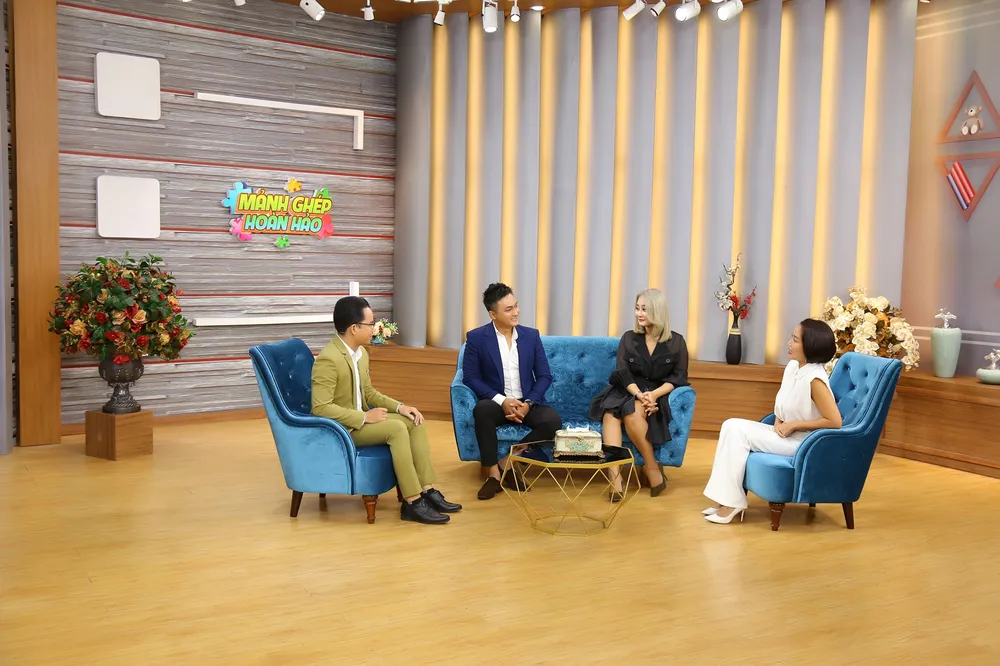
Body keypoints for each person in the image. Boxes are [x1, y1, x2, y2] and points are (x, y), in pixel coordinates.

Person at [311, 296, 462, 525]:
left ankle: (427, 490)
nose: (374, 328)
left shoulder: (361, 354)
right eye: (370, 324)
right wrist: (364, 417)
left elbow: (369, 393)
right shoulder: (328, 359)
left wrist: (401, 407)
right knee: (396, 429)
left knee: (412, 420)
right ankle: (411, 502)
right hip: (343, 428)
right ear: (354, 328)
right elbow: (320, 407)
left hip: (360, 420)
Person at [702, 318, 842, 525]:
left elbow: (835, 421)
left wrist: (794, 425)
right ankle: (724, 500)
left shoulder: (815, 379)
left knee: (736, 430)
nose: (789, 343)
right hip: (783, 434)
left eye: (795, 340)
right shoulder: (793, 367)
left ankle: (732, 504)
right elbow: (783, 403)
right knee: (730, 425)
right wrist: (779, 421)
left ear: (810, 346)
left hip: (802, 443)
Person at [463, 283, 563, 500]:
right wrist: (502, 401)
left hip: (527, 402)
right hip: (497, 403)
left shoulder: (531, 336)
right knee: (482, 410)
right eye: (508, 309)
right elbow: (470, 378)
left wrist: (528, 403)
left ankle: (508, 462)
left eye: (516, 306)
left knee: (552, 421)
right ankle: (492, 475)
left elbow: (544, 376)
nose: (516, 312)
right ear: (493, 314)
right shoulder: (477, 338)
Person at [589, 288, 689, 499]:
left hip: (657, 393)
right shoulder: (629, 338)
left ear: (657, 311)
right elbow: (622, 372)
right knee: (611, 414)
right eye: (637, 308)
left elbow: (678, 377)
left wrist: (653, 395)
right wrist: (639, 394)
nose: (639, 314)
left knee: (632, 414)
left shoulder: (677, 342)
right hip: (627, 389)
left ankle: (651, 467)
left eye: (644, 309)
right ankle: (615, 478)